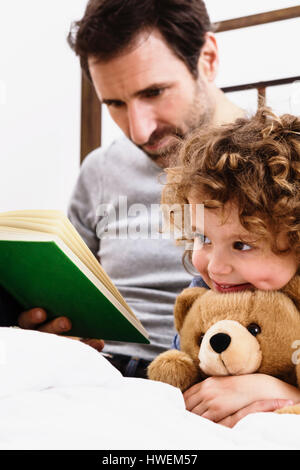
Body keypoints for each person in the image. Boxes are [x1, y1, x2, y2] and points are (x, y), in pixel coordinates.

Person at [5, 0, 246, 368]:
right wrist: (50, 329)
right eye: (115, 103)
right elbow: (67, 293)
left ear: (208, 58)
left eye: (154, 93)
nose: (139, 131)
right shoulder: (101, 169)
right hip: (102, 371)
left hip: (219, 369)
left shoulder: (281, 163)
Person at [162, 107, 300, 426]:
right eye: (203, 237)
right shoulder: (204, 296)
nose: (215, 268)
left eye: (243, 244)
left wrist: (284, 393)